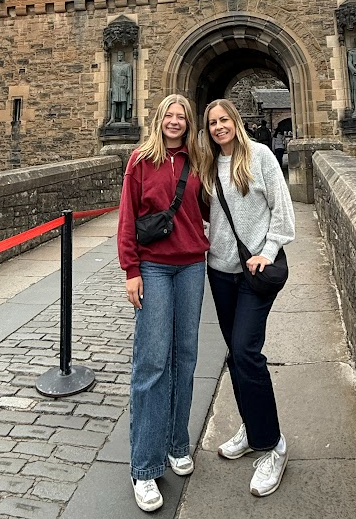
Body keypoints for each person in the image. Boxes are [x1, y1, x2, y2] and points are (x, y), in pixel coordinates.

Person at [117, 94, 209, 512]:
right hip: (153, 267)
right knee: (152, 362)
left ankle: (177, 443)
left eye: (181, 116)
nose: (175, 121)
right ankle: (144, 466)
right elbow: (127, 217)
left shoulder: (197, 160)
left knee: (185, 357)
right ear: (159, 119)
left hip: (191, 265)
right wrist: (131, 269)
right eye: (169, 115)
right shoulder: (140, 160)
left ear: (188, 122)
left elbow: (212, 206)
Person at [200, 99, 295, 498]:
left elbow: (282, 210)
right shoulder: (207, 164)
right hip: (220, 271)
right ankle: (253, 428)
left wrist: (268, 251)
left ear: (235, 121)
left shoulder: (259, 157)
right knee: (235, 355)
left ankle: (273, 445)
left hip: (255, 273)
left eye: (224, 119)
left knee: (246, 351)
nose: (219, 127)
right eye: (212, 122)